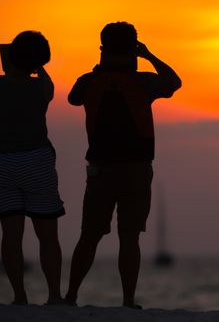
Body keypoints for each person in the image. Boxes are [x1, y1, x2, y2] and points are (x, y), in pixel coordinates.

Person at [64, 22, 181, 308]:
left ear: (103, 48)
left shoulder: (89, 81)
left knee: (89, 236)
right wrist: (149, 56)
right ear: (133, 48)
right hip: (137, 169)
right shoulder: (143, 82)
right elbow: (173, 82)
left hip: (101, 169)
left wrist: (100, 68)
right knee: (129, 238)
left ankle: (70, 297)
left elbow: (72, 98)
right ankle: (128, 301)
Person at [0, 31, 65, 305]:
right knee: (48, 236)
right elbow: (48, 85)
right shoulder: (41, 87)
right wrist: (38, 67)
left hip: (1, 162)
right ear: (39, 61)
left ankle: (19, 296)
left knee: (11, 236)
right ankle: (53, 295)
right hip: (36, 161)